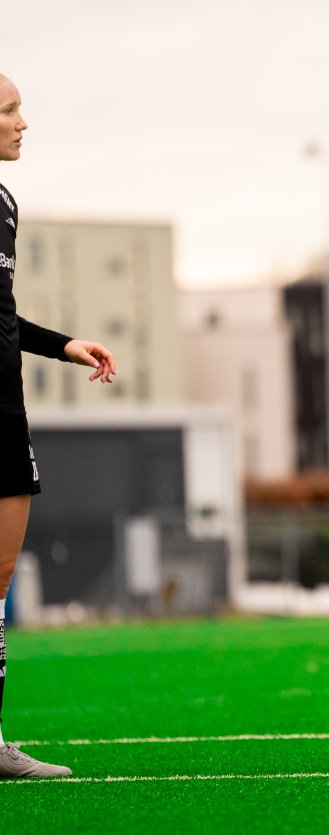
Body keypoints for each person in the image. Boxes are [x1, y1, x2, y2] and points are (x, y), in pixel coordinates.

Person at [0, 73, 117, 779]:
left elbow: (4, 318)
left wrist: (64, 344)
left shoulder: (6, 203)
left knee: (1, 577)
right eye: (9, 110)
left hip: (5, 413)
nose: (21, 122)